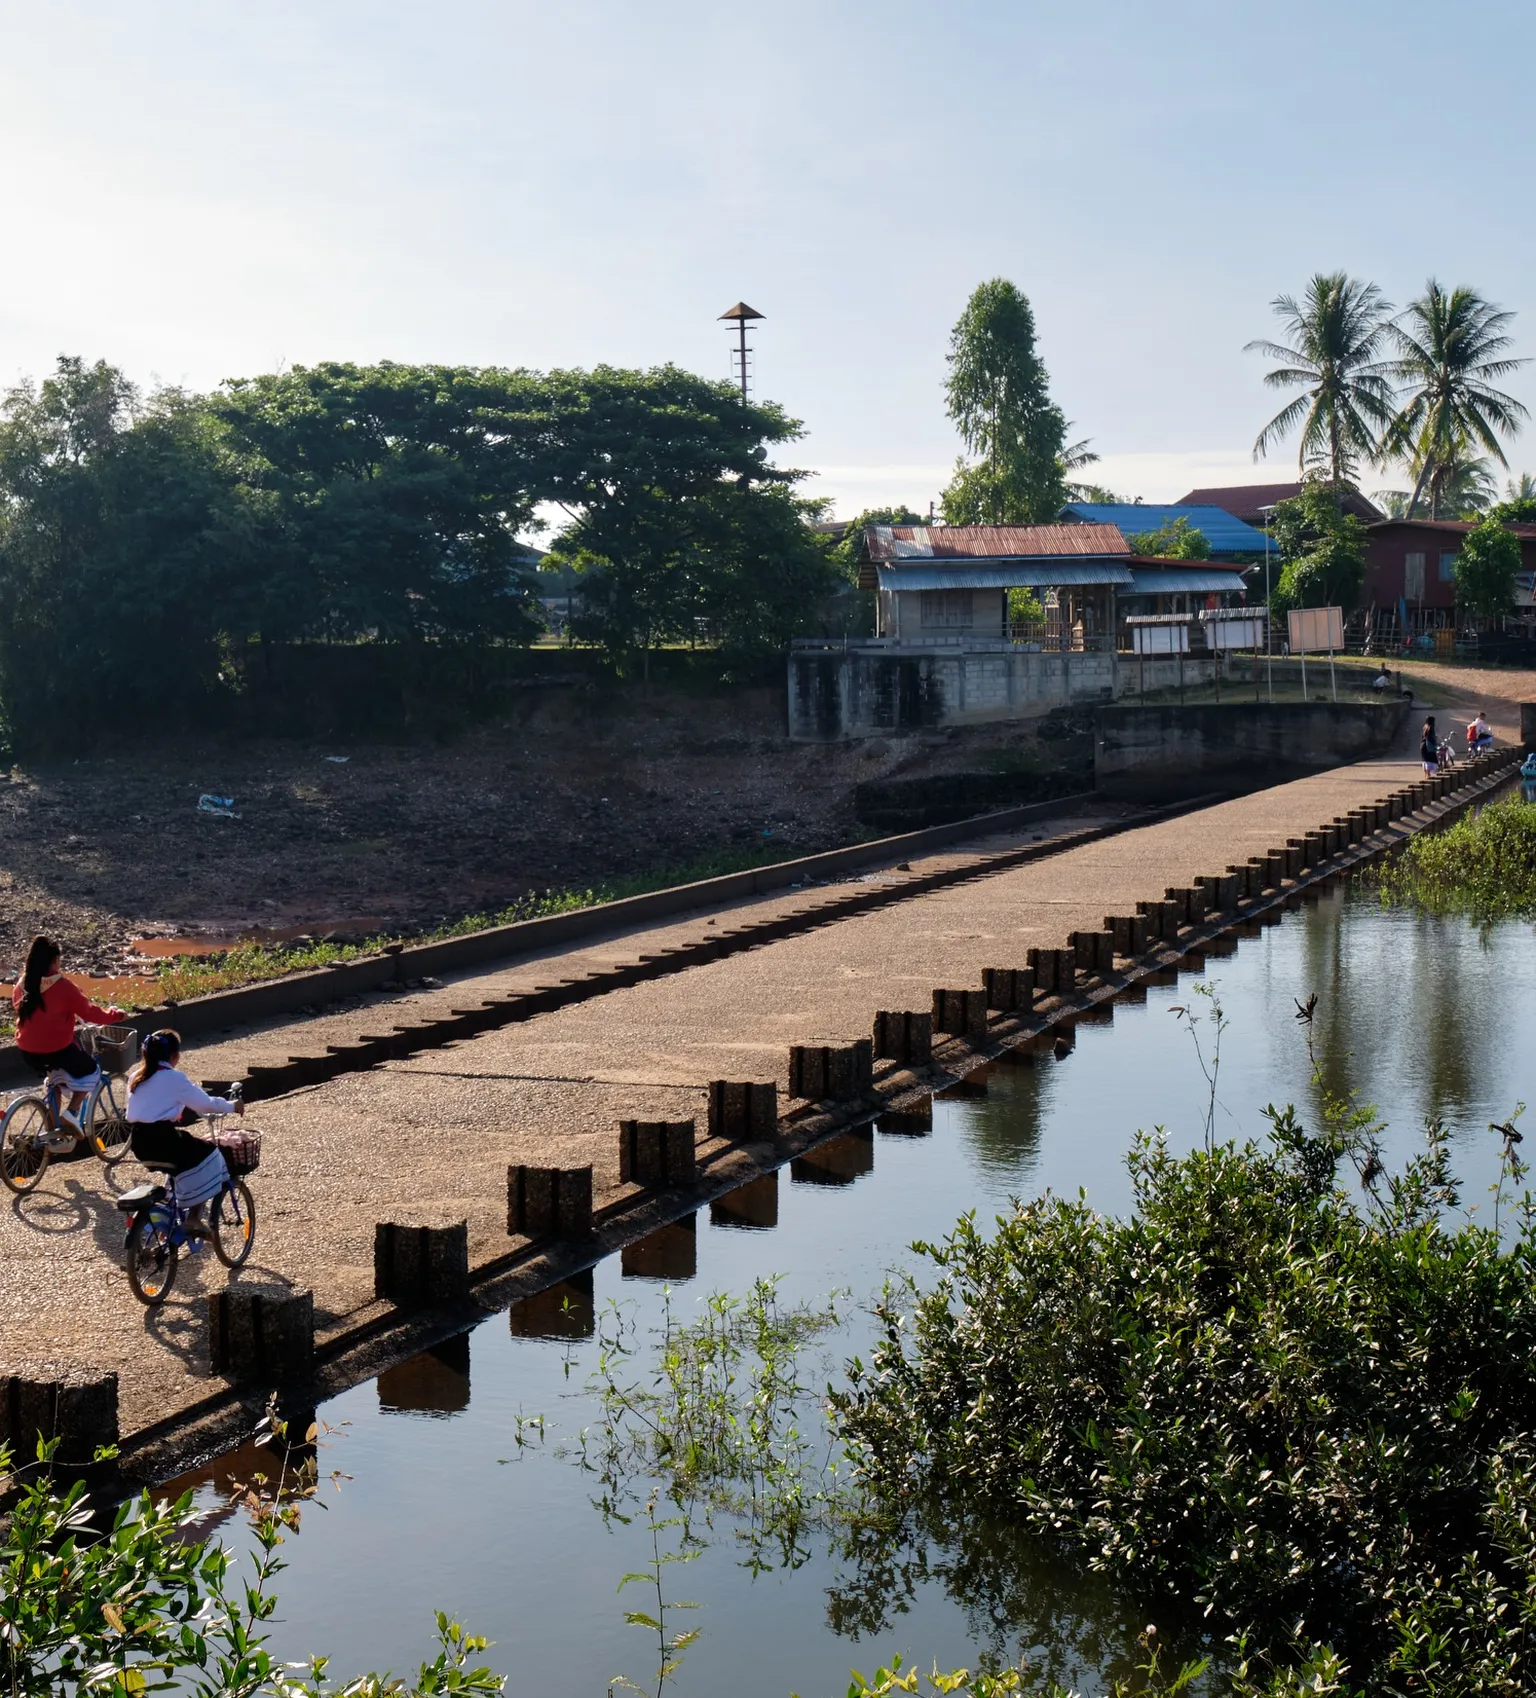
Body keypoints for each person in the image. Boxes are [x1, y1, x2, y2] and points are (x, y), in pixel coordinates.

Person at [11, 935, 123, 1148]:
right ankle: (71, 1112)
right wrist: (114, 1015)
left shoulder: (22, 985)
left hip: (27, 1051)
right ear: (54, 961)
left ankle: (55, 1131)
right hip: (57, 1049)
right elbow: (90, 1013)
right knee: (92, 1071)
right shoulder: (62, 986)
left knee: (54, 1080)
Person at [125, 1030, 242, 1233]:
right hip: (164, 1140)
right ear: (174, 1056)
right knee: (211, 1154)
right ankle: (194, 1217)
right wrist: (232, 1106)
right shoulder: (174, 1078)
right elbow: (205, 1104)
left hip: (139, 1143)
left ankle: (168, 1219)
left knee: (181, 1162)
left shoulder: (136, 1076)